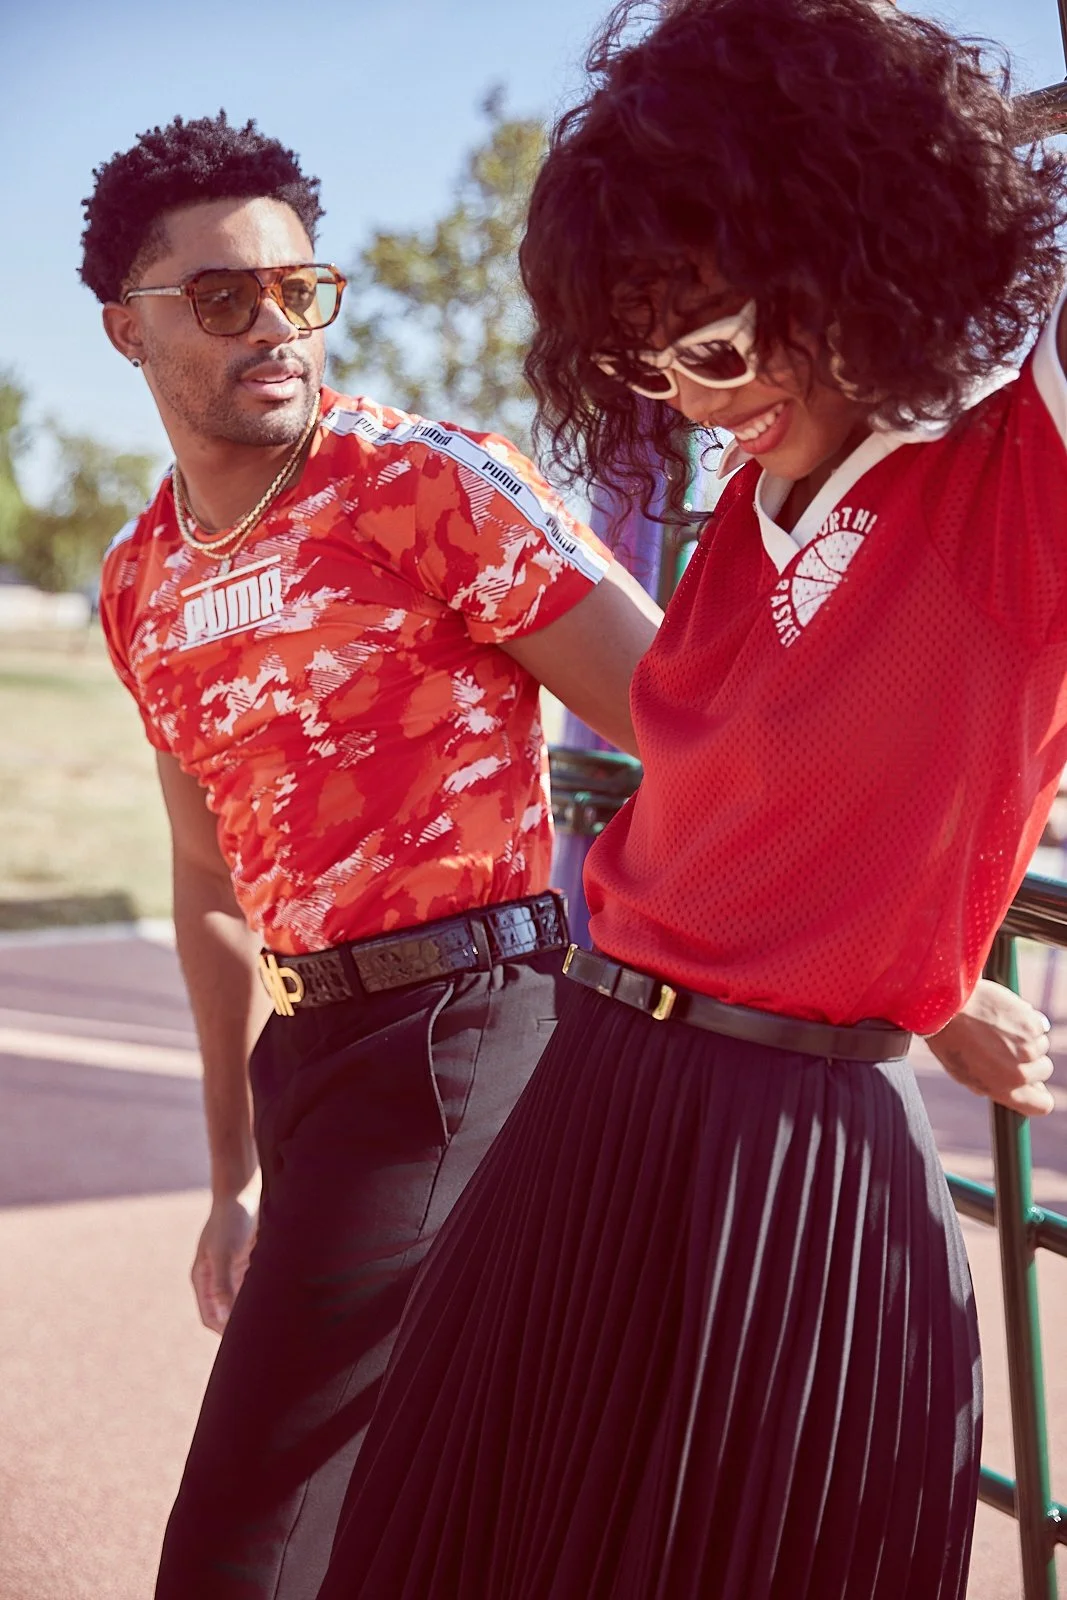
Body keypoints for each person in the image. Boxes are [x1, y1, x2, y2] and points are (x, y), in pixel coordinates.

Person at [314, 2, 1066, 1596]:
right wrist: (942, 985)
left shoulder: (1022, 482)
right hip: (589, 1102)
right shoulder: (748, 503)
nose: (684, 392)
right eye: (638, 357)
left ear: (851, 262)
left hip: (793, 1165)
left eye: (711, 343)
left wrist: (920, 979)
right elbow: (778, 824)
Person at [79, 112, 667, 1600]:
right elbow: (208, 883)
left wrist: (913, 977)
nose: (275, 326)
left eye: (297, 290)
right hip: (315, 1057)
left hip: (469, 1027)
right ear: (126, 332)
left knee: (240, 1542)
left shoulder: (428, 481)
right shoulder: (141, 579)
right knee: (410, 1518)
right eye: (223, 298)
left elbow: (690, 726)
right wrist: (230, 1174)